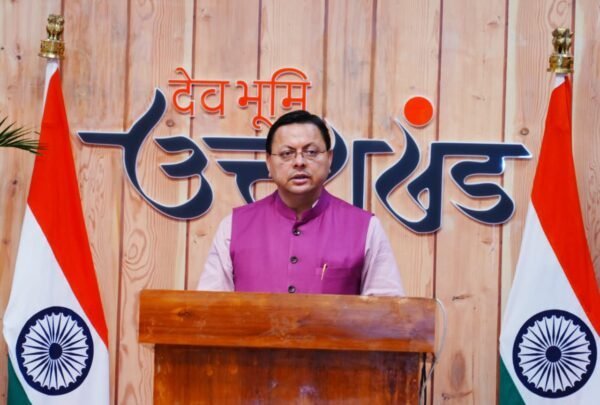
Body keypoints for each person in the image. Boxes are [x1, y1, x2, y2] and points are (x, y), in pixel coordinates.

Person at [197, 110, 404, 296]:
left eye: (311, 152)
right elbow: (209, 309)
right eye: (287, 153)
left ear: (330, 158)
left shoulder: (366, 228)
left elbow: (388, 312)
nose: (299, 162)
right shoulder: (233, 227)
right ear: (269, 162)